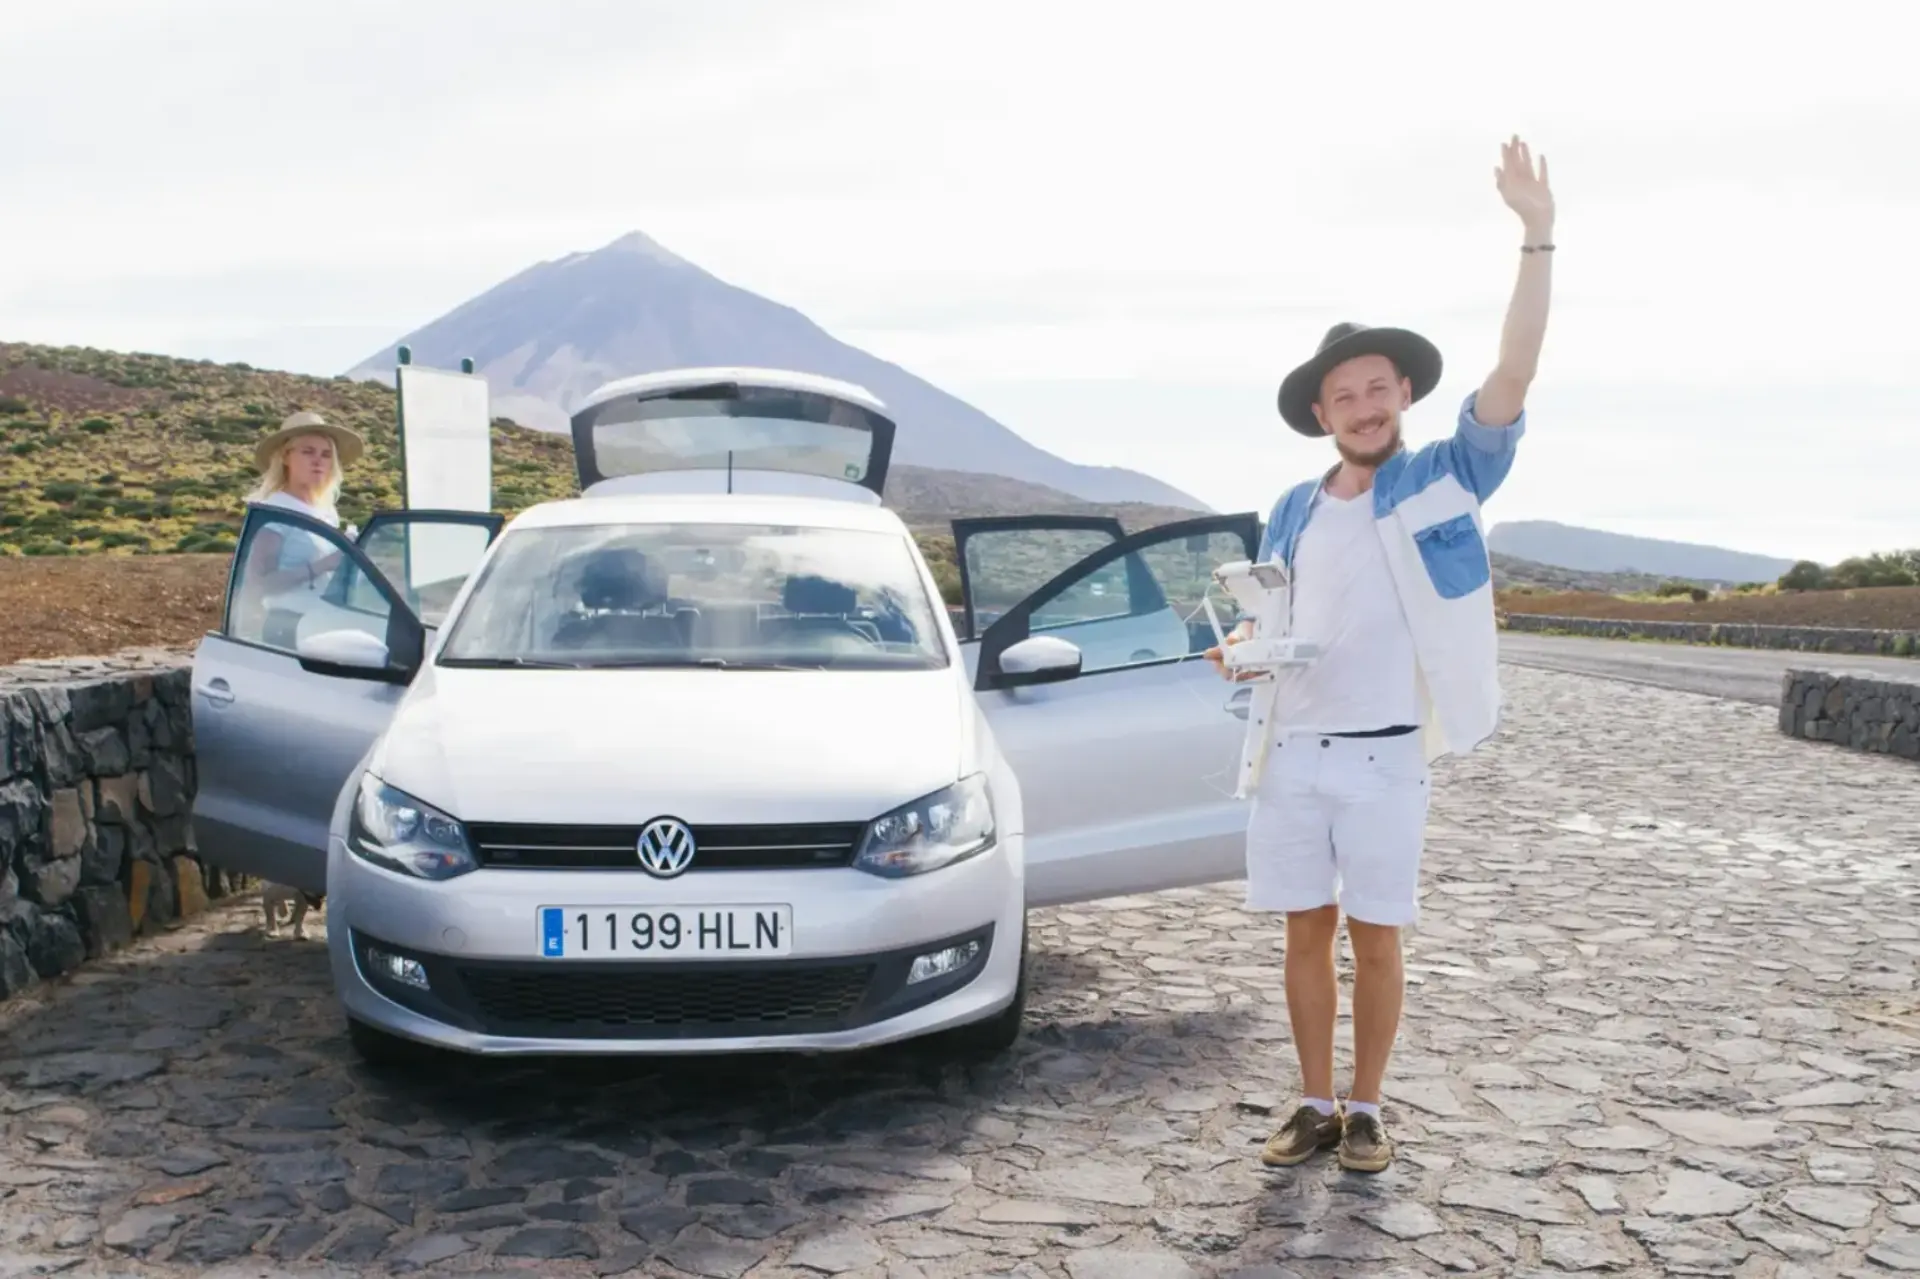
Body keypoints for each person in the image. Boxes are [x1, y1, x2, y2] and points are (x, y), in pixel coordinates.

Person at [1206, 136, 1555, 1174]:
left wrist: (1536, 235)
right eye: (1344, 395)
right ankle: (1313, 1101)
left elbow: (1514, 371)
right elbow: (1273, 616)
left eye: (1377, 387)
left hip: (1387, 753)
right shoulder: (1290, 507)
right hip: (1293, 752)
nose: (1363, 405)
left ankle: (1367, 1108)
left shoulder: (1447, 476)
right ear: (1321, 414)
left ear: (1402, 392)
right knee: (1303, 934)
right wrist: (1242, 650)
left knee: (1378, 934)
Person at [239, 410, 365, 595]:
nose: (318, 461)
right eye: (308, 452)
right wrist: (323, 565)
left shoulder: (327, 512)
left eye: (326, 454)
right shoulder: (274, 512)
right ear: (285, 457)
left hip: (321, 613)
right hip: (285, 613)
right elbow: (257, 585)